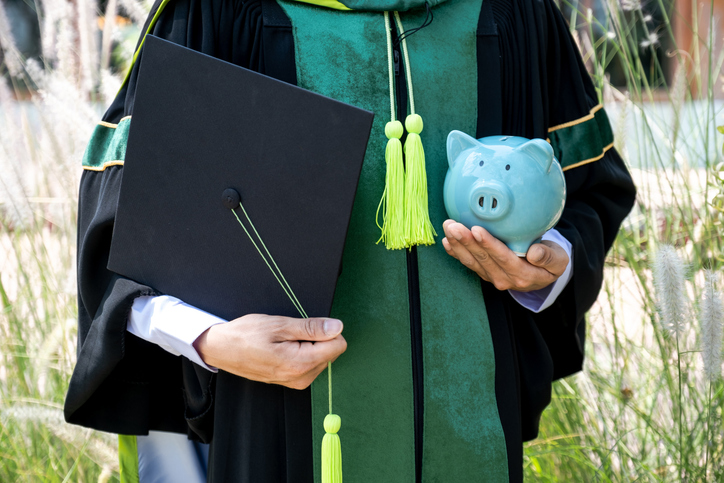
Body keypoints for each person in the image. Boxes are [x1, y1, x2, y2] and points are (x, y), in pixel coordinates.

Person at [64, 0, 636, 481]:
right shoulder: (217, 9)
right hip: (279, 429)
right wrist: (209, 339)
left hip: (474, 425)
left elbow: (589, 188)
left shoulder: (510, 11)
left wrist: (551, 262)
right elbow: (125, 233)